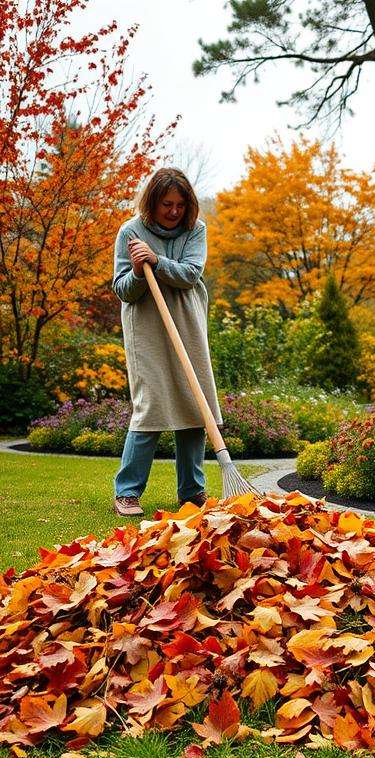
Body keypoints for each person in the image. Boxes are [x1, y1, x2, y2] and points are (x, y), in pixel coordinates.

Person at [111, 168, 220, 516]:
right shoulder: (130, 231)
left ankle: (193, 491)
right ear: (152, 202)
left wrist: (157, 260)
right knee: (151, 403)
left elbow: (190, 275)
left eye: (180, 204)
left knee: (194, 402)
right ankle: (127, 492)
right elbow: (123, 290)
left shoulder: (195, 230)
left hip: (187, 322)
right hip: (147, 327)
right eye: (166, 204)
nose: (174, 211)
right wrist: (139, 270)